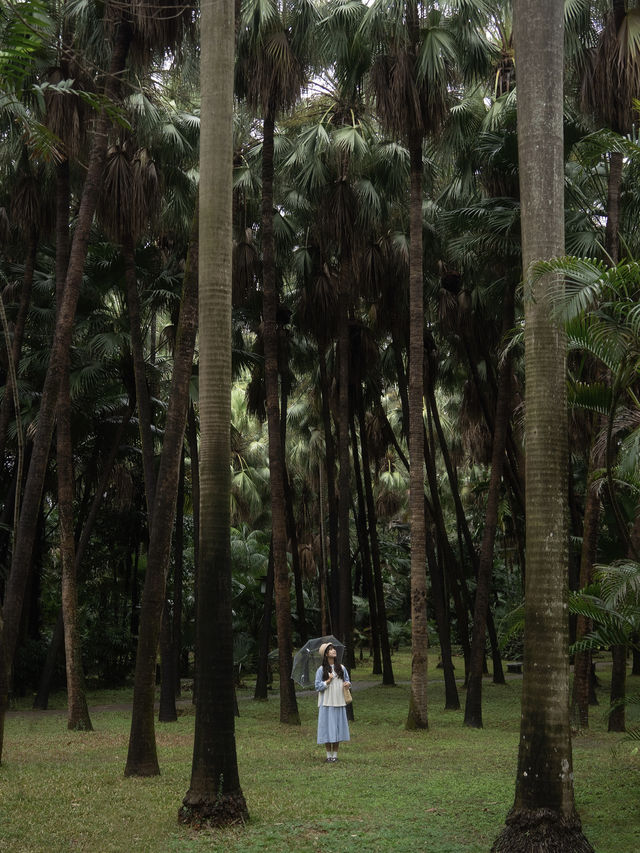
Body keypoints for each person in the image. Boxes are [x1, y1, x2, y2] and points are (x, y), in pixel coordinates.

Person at [314, 642, 351, 763]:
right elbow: (317, 686)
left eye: (333, 649)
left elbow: (348, 681)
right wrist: (327, 681)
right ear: (325, 654)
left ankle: (335, 755)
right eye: (330, 649)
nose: (333, 650)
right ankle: (328, 755)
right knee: (327, 728)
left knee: (337, 728)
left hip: (339, 701)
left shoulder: (342, 668)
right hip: (327, 703)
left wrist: (347, 684)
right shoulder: (321, 670)